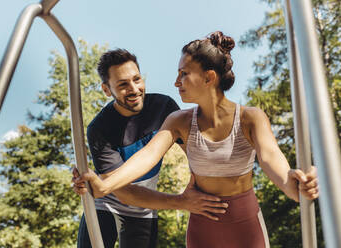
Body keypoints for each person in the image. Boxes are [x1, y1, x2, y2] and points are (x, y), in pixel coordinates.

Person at [74, 32, 319, 248]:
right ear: (108, 89)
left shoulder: (249, 117)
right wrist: (104, 185)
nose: (176, 82)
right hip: (186, 222)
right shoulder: (176, 121)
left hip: (243, 223)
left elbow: (270, 157)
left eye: (183, 74)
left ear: (208, 77)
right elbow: (148, 156)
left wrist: (292, 186)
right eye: (123, 84)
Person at [74, 48, 228, 248]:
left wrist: (211, 189)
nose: (134, 89)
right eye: (122, 84)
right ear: (106, 89)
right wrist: (181, 201)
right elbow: (123, 192)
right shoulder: (99, 129)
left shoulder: (163, 107)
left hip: (144, 208)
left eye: (136, 79)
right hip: (107, 203)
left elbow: (196, 154)